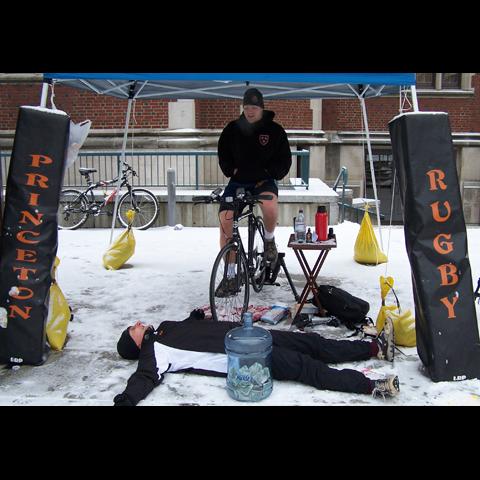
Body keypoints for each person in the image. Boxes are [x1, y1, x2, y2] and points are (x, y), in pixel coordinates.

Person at [113, 309, 400, 406]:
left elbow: (191, 329)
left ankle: (375, 349)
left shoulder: (165, 327)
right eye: (133, 328)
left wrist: (195, 317)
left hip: (251, 335)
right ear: (134, 343)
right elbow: (145, 377)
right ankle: (372, 386)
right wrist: (127, 399)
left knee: (311, 343)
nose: (138, 323)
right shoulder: (154, 352)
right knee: (306, 367)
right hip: (245, 360)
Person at [215, 88, 292, 296]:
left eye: (254, 108)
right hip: (238, 181)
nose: (250, 111)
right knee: (225, 220)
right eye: (246, 107)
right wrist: (231, 170)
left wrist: (270, 172)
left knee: (269, 204)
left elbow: (285, 159)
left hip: (263, 181)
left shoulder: (274, 130)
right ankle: (231, 275)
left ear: (262, 108)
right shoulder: (232, 129)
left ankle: (268, 239)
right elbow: (223, 153)